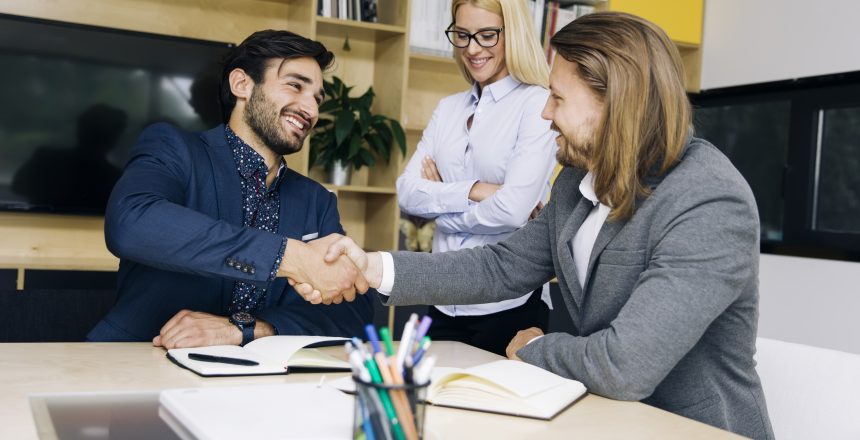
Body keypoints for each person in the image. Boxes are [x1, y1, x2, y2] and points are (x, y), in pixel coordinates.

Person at [305, 12, 775, 439]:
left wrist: (537, 347)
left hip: (688, 429)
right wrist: (372, 267)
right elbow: (502, 266)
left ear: (616, 102)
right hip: (599, 418)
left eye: (557, 98)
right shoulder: (575, 180)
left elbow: (625, 366)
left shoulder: (709, 200)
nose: (545, 113)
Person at [87, 30, 371, 348]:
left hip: (263, 375)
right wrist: (289, 256)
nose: (312, 110)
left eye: (317, 99)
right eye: (295, 85)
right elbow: (131, 222)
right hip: (142, 358)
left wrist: (248, 329)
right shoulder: (174, 147)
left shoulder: (316, 200)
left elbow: (352, 313)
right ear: (241, 84)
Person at [396, 0, 557, 355]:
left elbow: (513, 210)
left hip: (508, 303)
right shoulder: (448, 109)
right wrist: (478, 190)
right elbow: (406, 192)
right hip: (444, 297)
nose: (472, 49)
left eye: (486, 35)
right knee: (431, 390)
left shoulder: (537, 104)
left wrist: (441, 211)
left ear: (513, 34)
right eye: (463, 35)